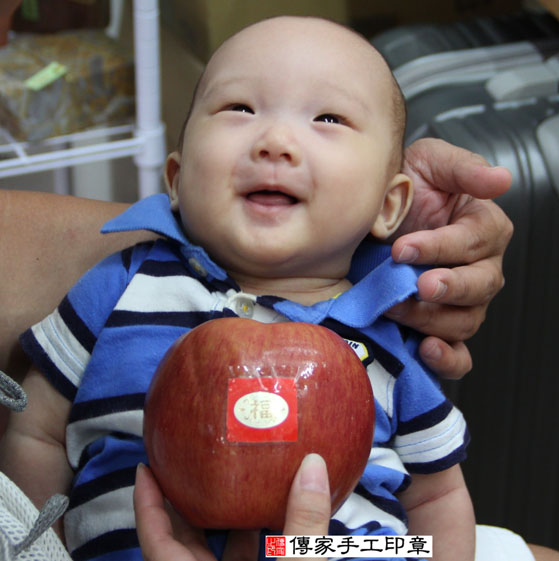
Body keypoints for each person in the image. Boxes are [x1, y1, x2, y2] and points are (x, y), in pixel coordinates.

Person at [0, 15, 524, 561]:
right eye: (239, 109)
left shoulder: (389, 329)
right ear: (176, 180)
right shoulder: (117, 285)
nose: (275, 141)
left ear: (390, 204)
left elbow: (438, 493)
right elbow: (36, 432)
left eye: (328, 117)